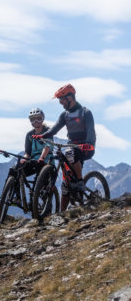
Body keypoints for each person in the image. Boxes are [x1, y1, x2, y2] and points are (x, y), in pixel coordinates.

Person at [32, 83, 96, 211]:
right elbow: (55, 129)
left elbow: (91, 130)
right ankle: (62, 214)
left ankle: (80, 181)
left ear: (70, 97)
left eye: (61, 99)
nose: (60, 103)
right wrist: (42, 136)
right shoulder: (64, 115)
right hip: (72, 145)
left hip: (86, 147)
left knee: (70, 153)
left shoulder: (85, 112)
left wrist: (88, 143)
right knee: (65, 185)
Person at [20, 107, 51, 177]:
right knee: (15, 170)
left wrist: (42, 158)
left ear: (43, 119)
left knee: (44, 181)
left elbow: (47, 146)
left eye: (39, 118)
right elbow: (27, 152)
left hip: (46, 161)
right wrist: (24, 160)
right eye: (33, 119)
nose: (36, 121)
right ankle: (13, 187)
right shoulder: (29, 135)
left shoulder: (48, 132)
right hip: (33, 162)